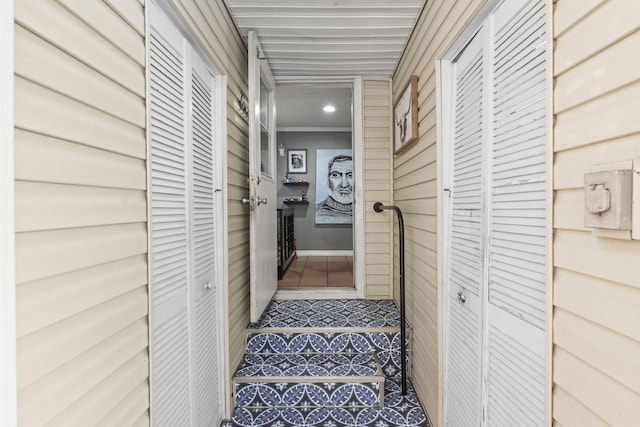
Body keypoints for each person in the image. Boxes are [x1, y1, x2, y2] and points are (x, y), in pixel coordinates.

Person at [316, 154, 353, 224]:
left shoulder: (363, 212)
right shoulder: (317, 211)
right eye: (335, 175)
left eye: (350, 175)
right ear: (328, 180)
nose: (344, 185)